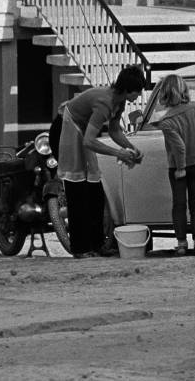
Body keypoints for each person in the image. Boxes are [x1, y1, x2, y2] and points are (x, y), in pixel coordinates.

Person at [58, 65, 146, 258]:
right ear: (127, 89)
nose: (137, 96)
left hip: (84, 132)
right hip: (71, 128)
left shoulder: (119, 102)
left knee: (95, 191)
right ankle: (80, 248)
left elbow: (114, 131)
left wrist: (131, 147)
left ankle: (97, 244)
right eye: (136, 92)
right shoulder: (104, 102)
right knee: (78, 192)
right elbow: (89, 141)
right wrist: (119, 153)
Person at [157, 75, 195, 256]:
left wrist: (181, 168)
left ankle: (182, 243)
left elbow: (179, 147)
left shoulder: (166, 121)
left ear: (165, 94)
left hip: (177, 168)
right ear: (184, 90)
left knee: (179, 204)